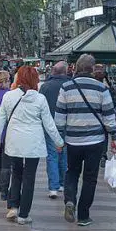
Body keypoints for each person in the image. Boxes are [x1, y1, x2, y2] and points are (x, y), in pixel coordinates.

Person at [0, 66, 63, 225]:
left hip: (14, 141)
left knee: (16, 173)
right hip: (33, 143)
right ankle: (24, 215)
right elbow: (49, 124)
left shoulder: (9, 96)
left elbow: (1, 122)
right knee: (29, 177)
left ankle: (13, 207)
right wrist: (59, 142)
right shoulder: (40, 99)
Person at [55, 55, 116, 227]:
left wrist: (59, 139)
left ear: (76, 67)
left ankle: (70, 201)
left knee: (72, 172)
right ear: (92, 69)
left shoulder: (66, 87)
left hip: (73, 140)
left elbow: (60, 117)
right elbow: (109, 116)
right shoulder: (101, 88)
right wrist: (114, 137)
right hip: (95, 141)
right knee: (90, 178)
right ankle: (83, 215)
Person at [39, 61, 70, 199]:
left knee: (52, 155)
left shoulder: (45, 86)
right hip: (67, 126)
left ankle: (53, 187)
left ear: (53, 72)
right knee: (63, 154)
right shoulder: (71, 86)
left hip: (49, 126)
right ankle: (63, 183)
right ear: (66, 71)